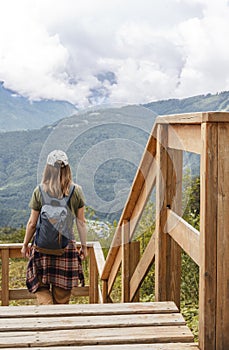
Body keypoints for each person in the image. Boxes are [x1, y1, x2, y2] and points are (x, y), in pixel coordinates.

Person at [21, 150, 87, 305]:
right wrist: (83, 247)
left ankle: (47, 314)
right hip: (66, 248)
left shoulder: (40, 190)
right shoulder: (76, 191)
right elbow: (81, 222)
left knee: (41, 288)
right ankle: (59, 322)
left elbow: (32, 223)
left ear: (48, 169)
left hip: (42, 248)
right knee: (62, 295)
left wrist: (25, 245)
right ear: (67, 168)